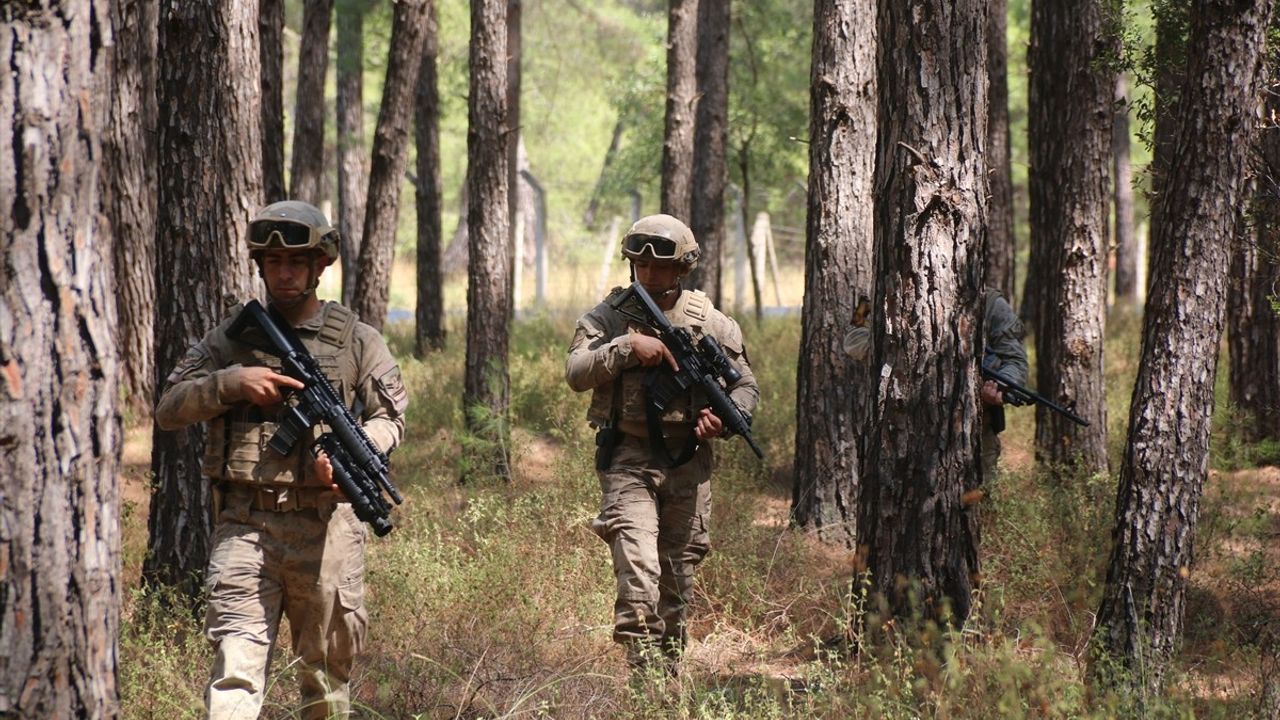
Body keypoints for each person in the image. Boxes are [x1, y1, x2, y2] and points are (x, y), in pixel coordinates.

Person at [154, 201, 408, 719]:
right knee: (234, 672)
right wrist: (231, 383)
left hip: (326, 530)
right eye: (273, 263)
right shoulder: (229, 340)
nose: (285, 272)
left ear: (320, 265)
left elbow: (390, 418)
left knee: (325, 678)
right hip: (246, 524)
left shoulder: (357, 339)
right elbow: (168, 409)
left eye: (296, 261)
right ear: (260, 267)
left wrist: (352, 453)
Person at [565, 214, 760, 675]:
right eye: (641, 265)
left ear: (683, 267)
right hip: (627, 458)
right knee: (639, 570)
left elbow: (745, 385)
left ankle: (667, 675)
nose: (650, 275)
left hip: (689, 461)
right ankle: (641, 674)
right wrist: (628, 347)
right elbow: (576, 372)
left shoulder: (710, 321)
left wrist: (726, 419)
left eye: (661, 267)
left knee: (676, 576)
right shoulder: (609, 316)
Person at [843, 288, 1028, 481]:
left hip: (970, 433)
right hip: (896, 431)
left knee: (978, 502)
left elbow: (1015, 361)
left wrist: (998, 386)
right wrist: (899, 351)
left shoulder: (990, 303)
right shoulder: (881, 291)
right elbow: (852, 337)